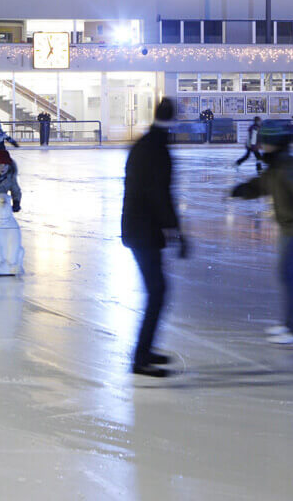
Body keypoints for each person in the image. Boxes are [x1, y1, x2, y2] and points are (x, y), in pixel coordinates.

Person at [231, 120, 293, 345]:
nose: (261, 147)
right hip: (289, 226)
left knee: (287, 273)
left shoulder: (288, 167)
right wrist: (243, 190)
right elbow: (262, 185)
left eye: (265, 143)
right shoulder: (278, 166)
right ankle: (291, 325)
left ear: (274, 143)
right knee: (286, 274)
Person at [121, 98, 188, 378]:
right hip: (144, 231)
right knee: (157, 293)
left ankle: (145, 351)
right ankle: (140, 357)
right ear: (174, 119)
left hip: (137, 228)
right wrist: (176, 231)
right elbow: (161, 195)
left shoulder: (143, 144)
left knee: (157, 292)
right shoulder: (158, 149)